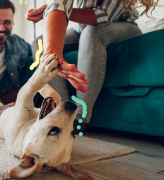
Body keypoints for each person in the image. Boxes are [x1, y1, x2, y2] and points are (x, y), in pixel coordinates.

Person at [26, 0, 159, 124]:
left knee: (92, 33)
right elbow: (59, 3)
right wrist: (52, 49)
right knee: (40, 43)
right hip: (82, 29)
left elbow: (102, 16)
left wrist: (63, 10)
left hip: (122, 26)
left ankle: (80, 118)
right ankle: (61, 113)